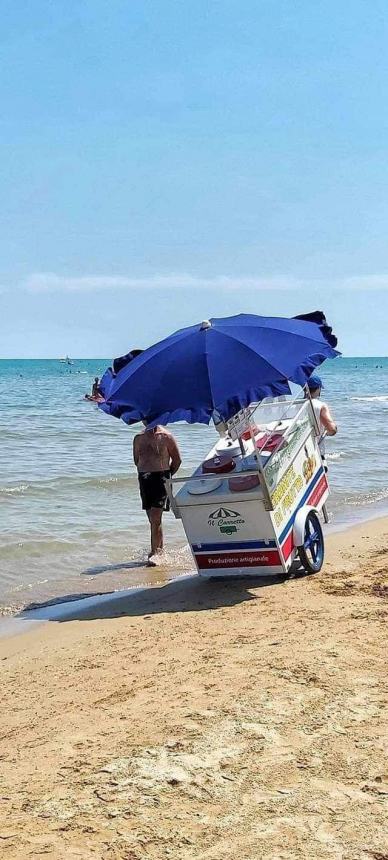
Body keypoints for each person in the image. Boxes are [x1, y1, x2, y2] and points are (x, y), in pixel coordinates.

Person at [133, 423, 182, 566]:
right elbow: (136, 460)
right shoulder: (138, 438)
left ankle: (155, 553)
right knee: (152, 518)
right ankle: (159, 549)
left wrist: (167, 476)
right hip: (144, 478)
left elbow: (177, 460)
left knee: (155, 517)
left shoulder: (166, 437)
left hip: (162, 477)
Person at [306, 375, 337, 467]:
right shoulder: (320, 405)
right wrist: (331, 431)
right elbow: (331, 429)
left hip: (302, 452)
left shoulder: (296, 406)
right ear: (318, 388)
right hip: (316, 452)